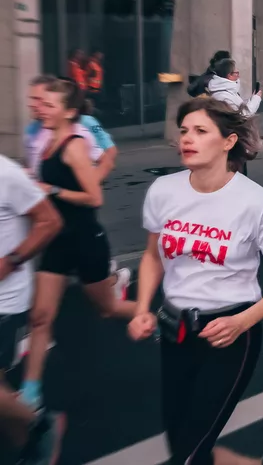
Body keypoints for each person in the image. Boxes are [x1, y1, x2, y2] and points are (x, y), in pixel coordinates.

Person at [128, 98, 263, 465]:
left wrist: (241, 322)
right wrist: (141, 309)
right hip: (175, 331)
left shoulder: (259, 206)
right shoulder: (164, 191)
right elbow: (152, 256)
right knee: (184, 442)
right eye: (185, 130)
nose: (187, 138)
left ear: (228, 142)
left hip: (231, 333)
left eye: (201, 131)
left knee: (188, 452)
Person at [23, 77, 136, 411]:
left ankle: (162, 319)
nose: (41, 108)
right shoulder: (45, 141)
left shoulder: (73, 145)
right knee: (41, 317)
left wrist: (51, 191)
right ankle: (31, 392)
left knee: (109, 309)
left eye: (48, 105)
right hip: (57, 240)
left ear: (68, 112)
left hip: (86, 239)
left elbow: (93, 196)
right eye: (40, 103)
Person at [0, 154, 65, 463]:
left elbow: (50, 221)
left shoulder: (6, 173)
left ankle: (39, 423)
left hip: (4, 301)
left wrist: (10, 261)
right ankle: (32, 447)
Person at [24, 76, 118, 183]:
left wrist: (90, 184)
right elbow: (33, 163)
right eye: (31, 98)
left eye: (38, 99)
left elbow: (109, 153)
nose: (31, 104)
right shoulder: (32, 128)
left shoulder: (82, 125)